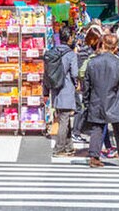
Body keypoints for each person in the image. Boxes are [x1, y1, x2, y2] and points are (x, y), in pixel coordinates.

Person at [82, 33, 119, 168]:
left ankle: (94, 157)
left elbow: (86, 85)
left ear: (102, 44)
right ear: (115, 46)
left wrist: (86, 101)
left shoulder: (92, 62)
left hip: (97, 99)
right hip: (115, 99)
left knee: (97, 128)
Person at [48, 26, 79, 157]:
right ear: (69, 38)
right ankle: (59, 148)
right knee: (64, 120)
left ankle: (69, 146)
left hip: (55, 89)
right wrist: (77, 83)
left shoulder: (52, 52)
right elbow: (75, 73)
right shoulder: (71, 54)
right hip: (66, 89)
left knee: (64, 117)